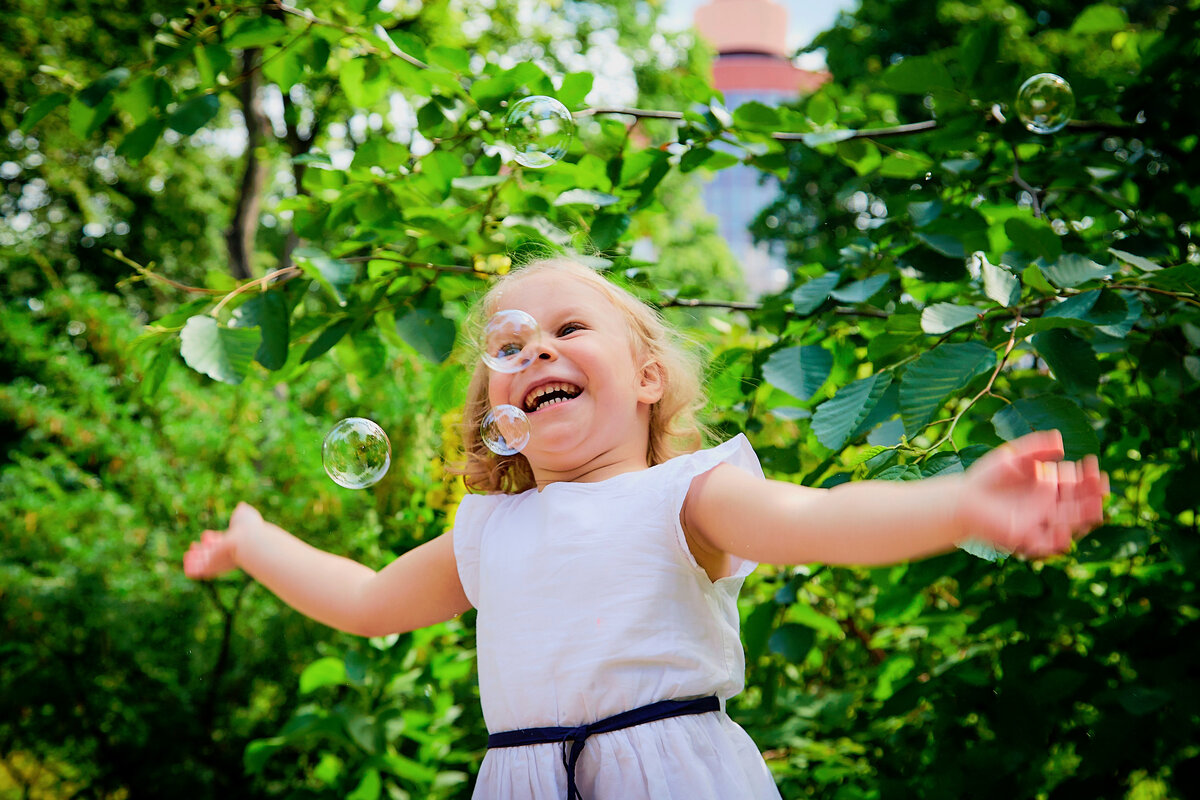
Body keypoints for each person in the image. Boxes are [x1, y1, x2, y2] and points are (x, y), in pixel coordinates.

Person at [184, 258, 1108, 800]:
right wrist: (255, 541)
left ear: (649, 380)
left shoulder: (685, 494)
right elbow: (367, 600)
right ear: (495, 411)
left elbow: (817, 519)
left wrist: (959, 503)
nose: (534, 349)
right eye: (508, 349)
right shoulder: (489, 530)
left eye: (569, 328)